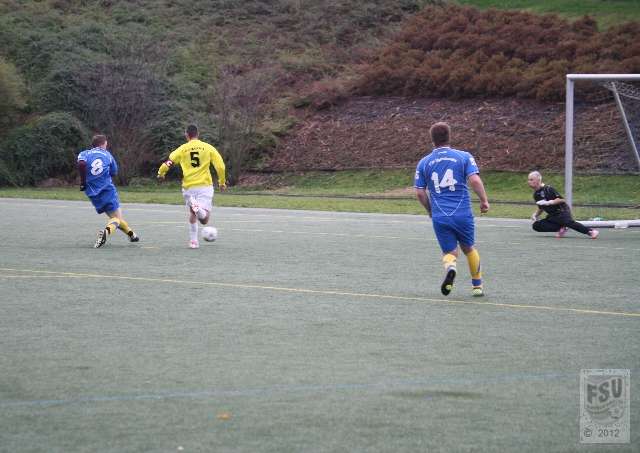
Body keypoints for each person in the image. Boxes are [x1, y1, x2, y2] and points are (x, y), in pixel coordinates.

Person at [415, 122, 490, 297]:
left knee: (450, 252)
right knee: (469, 248)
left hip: (440, 216)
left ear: (432, 140)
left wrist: (430, 210)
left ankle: (451, 267)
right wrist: (484, 200)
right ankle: (477, 286)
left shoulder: (424, 162)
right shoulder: (463, 157)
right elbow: (475, 180)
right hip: (463, 213)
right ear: (449, 136)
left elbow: (419, 192)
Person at [157, 124, 227, 249]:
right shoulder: (208, 147)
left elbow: (168, 163)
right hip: (204, 186)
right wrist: (222, 182)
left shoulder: (182, 149)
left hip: (188, 187)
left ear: (186, 135)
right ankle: (198, 209)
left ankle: (193, 241)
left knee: (193, 212)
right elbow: (220, 166)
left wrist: (161, 174)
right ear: (198, 134)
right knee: (204, 220)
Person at [77, 134, 140, 248]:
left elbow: (81, 163)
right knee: (117, 219)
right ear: (103, 144)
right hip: (107, 190)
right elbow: (114, 172)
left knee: (114, 218)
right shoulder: (108, 155)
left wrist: (83, 182)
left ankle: (132, 235)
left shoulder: (84, 153)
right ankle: (106, 232)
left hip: (92, 192)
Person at [527, 171, 598, 239]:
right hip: (552, 216)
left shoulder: (548, 189)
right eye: (528, 180)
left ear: (538, 180)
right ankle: (562, 227)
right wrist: (535, 215)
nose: (529, 182)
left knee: (568, 222)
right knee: (536, 225)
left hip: (561, 212)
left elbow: (561, 200)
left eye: (531, 179)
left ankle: (590, 231)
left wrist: (549, 202)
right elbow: (541, 207)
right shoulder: (536, 194)